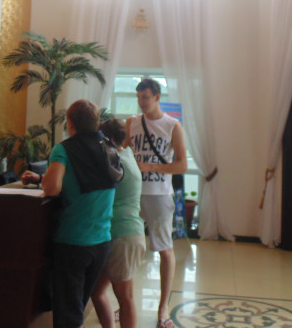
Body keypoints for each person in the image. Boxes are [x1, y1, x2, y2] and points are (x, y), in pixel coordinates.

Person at [20, 99, 119, 328]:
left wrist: (44, 179)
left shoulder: (64, 148)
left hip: (73, 241)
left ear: (70, 123)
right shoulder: (109, 147)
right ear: (97, 123)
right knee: (78, 306)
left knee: (68, 313)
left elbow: (52, 188)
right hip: (102, 240)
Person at [125, 78, 187, 328]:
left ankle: (163, 307)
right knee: (127, 247)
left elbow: (182, 165)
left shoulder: (172, 125)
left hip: (159, 194)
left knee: (164, 249)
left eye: (146, 97)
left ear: (157, 97)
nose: (141, 102)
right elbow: (123, 153)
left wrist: (151, 167)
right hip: (132, 194)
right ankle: (125, 303)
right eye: (139, 97)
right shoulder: (131, 122)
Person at [91, 118, 145, 328]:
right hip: (122, 234)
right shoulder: (127, 154)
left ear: (111, 140)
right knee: (96, 291)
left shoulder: (118, 162)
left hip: (123, 235)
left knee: (125, 298)